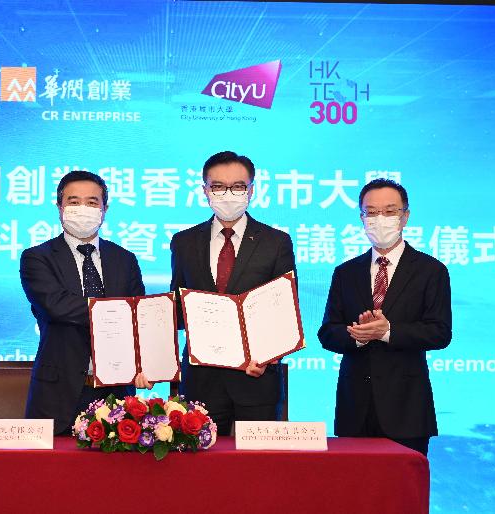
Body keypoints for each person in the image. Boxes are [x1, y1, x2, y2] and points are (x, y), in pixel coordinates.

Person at [317, 178, 451, 456]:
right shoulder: (345, 272)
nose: (380, 219)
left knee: (402, 495)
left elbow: (440, 332)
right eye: (372, 212)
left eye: (390, 211)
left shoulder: (431, 270)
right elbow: (328, 332)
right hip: (355, 408)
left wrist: (388, 331)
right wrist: (357, 336)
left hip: (407, 410)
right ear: (362, 218)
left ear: (405, 216)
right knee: (355, 493)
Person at [170, 151, 297, 435]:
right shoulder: (184, 242)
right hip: (201, 381)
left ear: (252, 190)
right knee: (200, 475)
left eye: (238, 186)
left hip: (255, 380)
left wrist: (267, 356)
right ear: (205, 191)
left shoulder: (276, 242)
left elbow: (284, 312)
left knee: (255, 474)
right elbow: (177, 308)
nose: (228, 194)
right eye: (218, 186)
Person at [21, 170, 147, 435]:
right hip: (57, 394)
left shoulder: (125, 259)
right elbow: (57, 306)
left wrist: (147, 362)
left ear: (105, 209)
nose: (83, 209)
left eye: (92, 202)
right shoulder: (37, 258)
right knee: (51, 475)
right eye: (74, 201)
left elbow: (142, 319)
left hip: (118, 392)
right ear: (59, 207)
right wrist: (120, 310)